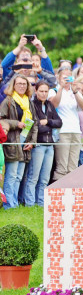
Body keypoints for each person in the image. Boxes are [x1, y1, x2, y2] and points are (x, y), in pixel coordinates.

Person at [0, 75, 37, 209]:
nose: (22, 86)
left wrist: (32, 141)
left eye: (24, 84)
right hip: (13, 142)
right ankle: (9, 205)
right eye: (19, 84)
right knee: (11, 175)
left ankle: (14, 203)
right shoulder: (8, 101)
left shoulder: (29, 102)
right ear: (13, 86)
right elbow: (1, 120)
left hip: (26, 141)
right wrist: (16, 123)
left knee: (19, 176)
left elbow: (35, 124)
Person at [24, 81, 61, 207]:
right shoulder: (32, 105)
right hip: (38, 144)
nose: (44, 94)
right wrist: (47, 126)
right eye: (41, 91)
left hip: (50, 145)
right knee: (33, 176)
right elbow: (34, 126)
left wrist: (48, 122)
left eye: (46, 91)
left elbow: (59, 122)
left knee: (45, 178)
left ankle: (40, 203)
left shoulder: (50, 104)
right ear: (36, 91)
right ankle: (29, 203)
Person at [49, 66, 83, 182]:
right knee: (62, 165)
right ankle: (59, 191)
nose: (67, 80)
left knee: (73, 165)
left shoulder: (76, 92)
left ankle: (71, 190)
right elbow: (54, 104)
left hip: (76, 130)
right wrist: (61, 88)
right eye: (64, 77)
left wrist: (74, 91)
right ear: (58, 78)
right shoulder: (53, 91)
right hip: (62, 131)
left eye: (69, 77)